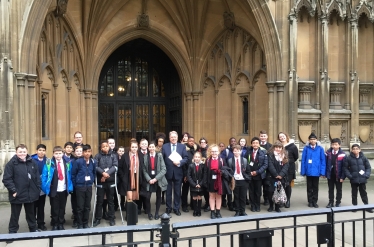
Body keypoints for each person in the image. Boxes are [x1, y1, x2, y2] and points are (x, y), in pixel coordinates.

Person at [3, 144, 41, 236]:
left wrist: (37, 189)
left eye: (24, 152)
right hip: (17, 194)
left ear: (27, 152)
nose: (22, 154)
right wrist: (13, 190)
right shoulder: (11, 163)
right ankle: (12, 232)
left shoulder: (32, 162)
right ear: (16, 152)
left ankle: (33, 230)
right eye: (20, 152)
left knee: (31, 214)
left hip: (30, 193)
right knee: (15, 216)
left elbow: (37, 177)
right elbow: (7, 179)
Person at [42, 146, 73, 230]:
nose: (58, 155)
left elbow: (69, 176)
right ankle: (55, 223)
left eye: (60, 153)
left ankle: (61, 223)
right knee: (54, 208)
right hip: (53, 189)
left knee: (62, 207)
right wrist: (46, 189)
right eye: (56, 153)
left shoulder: (67, 163)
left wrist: (70, 187)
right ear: (53, 154)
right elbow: (44, 177)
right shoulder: (49, 163)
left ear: (63, 154)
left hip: (63, 189)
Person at [162, 131, 189, 216]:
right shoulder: (165, 146)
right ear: (169, 138)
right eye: (172, 137)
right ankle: (168, 208)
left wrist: (180, 162)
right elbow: (162, 159)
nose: (173, 138)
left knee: (177, 192)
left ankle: (176, 208)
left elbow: (186, 158)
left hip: (178, 172)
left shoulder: (182, 146)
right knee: (168, 192)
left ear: (177, 138)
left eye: (175, 137)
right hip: (168, 172)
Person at [93, 141, 118, 227]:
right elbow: (95, 166)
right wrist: (103, 173)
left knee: (110, 200)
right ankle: (98, 218)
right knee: (99, 201)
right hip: (101, 181)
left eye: (107, 146)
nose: (105, 147)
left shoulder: (113, 155)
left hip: (110, 181)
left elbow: (115, 166)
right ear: (101, 148)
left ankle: (111, 218)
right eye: (103, 146)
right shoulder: (97, 156)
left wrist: (107, 174)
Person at [71, 144, 96, 228]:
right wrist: (76, 184)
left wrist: (92, 181)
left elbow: (94, 173)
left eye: (89, 151)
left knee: (87, 206)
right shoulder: (78, 162)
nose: (87, 153)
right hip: (80, 186)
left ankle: (85, 223)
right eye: (85, 152)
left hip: (89, 186)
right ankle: (80, 223)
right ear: (82, 153)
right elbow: (73, 174)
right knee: (80, 206)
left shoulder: (93, 161)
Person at [343, 144, 374, 213]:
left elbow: (368, 167)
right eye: (354, 149)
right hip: (354, 179)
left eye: (357, 149)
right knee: (354, 193)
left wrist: (366, 175)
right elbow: (345, 168)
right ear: (352, 150)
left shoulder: (363, 158)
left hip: (362, 179)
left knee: (363, 193)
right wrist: (350, 176)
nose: (355, 150)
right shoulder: (349, 158)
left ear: (360, 150)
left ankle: (367, 206)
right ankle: (354, 206)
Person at [142, 141, 167, 220]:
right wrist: (149, 179)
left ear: (155, 148)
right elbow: (144, 170)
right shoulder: (145, 157)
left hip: (158, 180)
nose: (151, 148)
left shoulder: (159, 156)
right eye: (150, 147)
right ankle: (149, 213)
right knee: (147, 197)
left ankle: (157, 213)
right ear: (148, 148)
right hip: (149, 180)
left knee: (158, 196)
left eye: (153, 147)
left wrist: (156, 178)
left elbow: (164, 169)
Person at [205, 144, 231, 219]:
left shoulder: (222, 160)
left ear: (218, 152)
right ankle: (212, 212)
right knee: (212, 196)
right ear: (210, 152)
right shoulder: (207, 160)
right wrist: (205, 182)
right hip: (210, 181)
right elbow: (205, 172)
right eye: (212, 151)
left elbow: (225, 170)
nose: (214, 153)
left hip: (219, 181)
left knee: (219, 196)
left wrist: (221, 172)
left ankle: (218, 212)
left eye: (215, 151)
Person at [300, 133, 326, 208]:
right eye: (311, 139)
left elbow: (322, 160)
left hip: (316, 171)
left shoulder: (320, 149)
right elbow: (303, 160)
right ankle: (310, 201)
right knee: (309, 187)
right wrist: (303, 171)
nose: (312, 141)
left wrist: (322, 171)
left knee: (315, 187)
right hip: (308, 171)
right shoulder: (306, 148)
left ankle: (315, 201)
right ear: (309, 140)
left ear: (316, 140)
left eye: (314, 139)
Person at [227, 145, 251, 216]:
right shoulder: (230, 161)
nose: (236, 152)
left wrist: (248, 178)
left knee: (243, 197)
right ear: (233, 151)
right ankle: (237, 211)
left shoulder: (244, 160)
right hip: (235, 181)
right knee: (236, 196)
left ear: (240, 151)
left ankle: (242, 211)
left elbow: (248, 171)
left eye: (238, 151)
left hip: (243, 180)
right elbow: (229, 171)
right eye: (235, 151)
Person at [266, 141, 289, 213]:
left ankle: (277, 207)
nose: (278, 149)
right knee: (270, 192)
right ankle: (271, 206)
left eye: (279, 147)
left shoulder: (284, 156)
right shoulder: (270, 155)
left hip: (281, 178)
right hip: (272, 177)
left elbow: (286, 166)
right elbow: (270, 166)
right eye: (276, 147)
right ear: (273, 148)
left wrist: (281, 175)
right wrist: (276, 175)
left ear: (282, 148)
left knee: (279, 192)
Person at [247, 137, 268, 212]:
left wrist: (257, 172)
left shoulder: (263, 152)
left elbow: (265, 165)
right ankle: (252, 205)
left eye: (256, 143)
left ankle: (257, 205)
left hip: (259, 175)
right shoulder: (248, 151)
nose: (255, 144)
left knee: (258, 191)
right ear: (251, 144)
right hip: (250, 175)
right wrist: (249, 172)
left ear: (259, 144)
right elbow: (245, 162)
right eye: (253, 143)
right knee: (251, 191)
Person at [278, 132, 299, 208]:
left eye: (283, 136)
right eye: (280, 137)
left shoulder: (293, 146)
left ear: (286, 137)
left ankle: (287, 200)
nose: (282, 138)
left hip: (290, 168)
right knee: (280, 185)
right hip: (280, 168)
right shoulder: (278, 146)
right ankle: (281, 200)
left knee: (288, 185)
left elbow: (296, 157)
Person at [31, 144, 49, 231]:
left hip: (43, 187)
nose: (41, 152)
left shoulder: (47, 161)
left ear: (45, 151)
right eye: (40, 150)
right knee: (33, 206)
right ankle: (33, 224)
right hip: (33, 187)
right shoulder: (31, 160)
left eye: (43, 150)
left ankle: (41, 223)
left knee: (41, 207)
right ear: (36, 151)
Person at [324, 138, 346, 208]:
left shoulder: (343, 154)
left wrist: (343, 177)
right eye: (333, 144)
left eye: (336, 144)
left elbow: (344, 166)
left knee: (339, 189)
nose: (334, 146)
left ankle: (338, 202)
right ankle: (331, 202)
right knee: (330, 189)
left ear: (339, 145)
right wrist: (325, 174)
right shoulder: (328, 153)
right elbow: (325, 163)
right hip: (330, 174)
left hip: (338, 175)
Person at [187, 152, 206, 217]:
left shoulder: (203, 166)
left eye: (198, 157)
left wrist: (200, 184)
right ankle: (195, 210)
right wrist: (194, 184)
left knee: (199, 197)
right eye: (196, 157)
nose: (197, 158)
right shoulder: (191, 165)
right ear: (193, 158)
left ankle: (199, 210)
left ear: (201, 158)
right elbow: (189, 176)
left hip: (200, 185)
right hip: (193, 185)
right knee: (194, 197)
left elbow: (204, 176)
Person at [182, 136, 198, 212]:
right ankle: (184, 205)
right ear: (187, 142)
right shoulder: (185, 150)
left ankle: (192, 204)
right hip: (186, 173)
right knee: (185, 190)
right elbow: (184, 163)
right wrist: (185, 175)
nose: (191, 142)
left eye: (193, 141)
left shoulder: (195, 151)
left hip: (194, 174)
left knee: (193, 190)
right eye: (190, 141)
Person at [259, 130, 272, 206]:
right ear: (259, 137)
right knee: (258, 186)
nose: (263, 137)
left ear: (267, 137)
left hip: (267, 170)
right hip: (259, 169)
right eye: (261, 136)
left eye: (264, 136)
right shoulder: (257, 145)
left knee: (266, 185)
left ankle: (266, 199)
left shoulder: (270, 146)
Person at [136, 138, 149, 215]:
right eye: (142, 144)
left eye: (145, 144)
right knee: (139, 193)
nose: (144, 145)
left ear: (147, 145)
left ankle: (146, 208)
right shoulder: (137, 153)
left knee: (147, 194)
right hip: (139, 176)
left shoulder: (150, 152)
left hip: (148, 177)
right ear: (140, 145)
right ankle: (138, 208)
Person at [197, 137, 210, 211]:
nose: (202, 143)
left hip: (207, 172)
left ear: (206, 143)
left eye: (204, 142)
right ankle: (206, 203)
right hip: (201, 172)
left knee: (207, 189)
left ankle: (208, 204)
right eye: (201, 142)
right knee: (204, 190)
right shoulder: (199, 150)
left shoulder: (208, 151)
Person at [155, 132, 166, 204]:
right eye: (159, 141)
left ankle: (163, 197)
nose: (161, 143)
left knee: (164, 184)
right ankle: (158, 198)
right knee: (157, 185)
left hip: (164, 168)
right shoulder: (155, 148)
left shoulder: (165, 148)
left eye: (162, 141)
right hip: (156, 168)